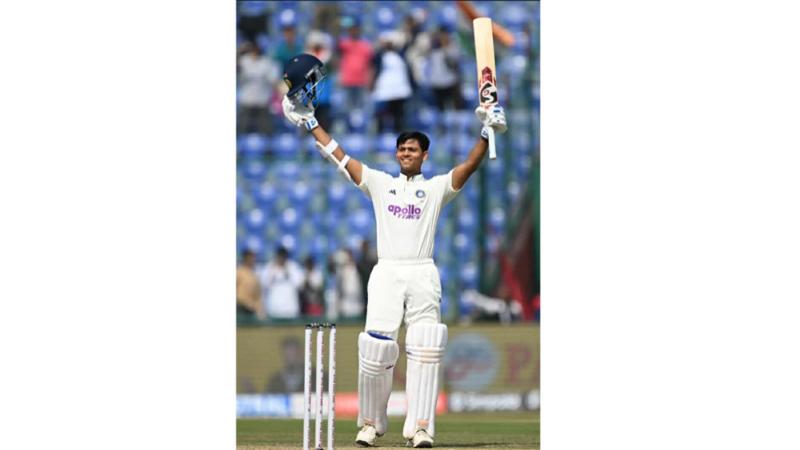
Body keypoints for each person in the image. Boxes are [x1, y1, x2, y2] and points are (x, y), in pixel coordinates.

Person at [280, 54, 507, 448]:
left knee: (426, 345)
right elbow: (341, 159)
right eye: (401, 148)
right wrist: (312, 124)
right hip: (387, 271)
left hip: (422, 271)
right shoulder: (381, 183)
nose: (405, 153)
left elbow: (468, 167)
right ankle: (370, 425)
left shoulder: (435, 189)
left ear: (424, 155)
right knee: (375, 348)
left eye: (412, 149)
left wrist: (488, 132)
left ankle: (420, 428)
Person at [260, 246, 304, 320]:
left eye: (284, 256)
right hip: (273, 308)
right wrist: (272, 274)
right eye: (280, 256)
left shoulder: (293, 267)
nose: (281, 258)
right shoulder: (269, 267)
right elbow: (264, 284)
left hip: (290, 308)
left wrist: (288, 272)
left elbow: (299, 284)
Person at [236, 249, 263, 320]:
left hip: (251, 310)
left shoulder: (255, 275)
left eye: (254, 258)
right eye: (251, 258)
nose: (253, 260)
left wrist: (259, 309)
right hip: (240, 308)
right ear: (245, 258)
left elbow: (258, 296)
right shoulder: (238, 272)